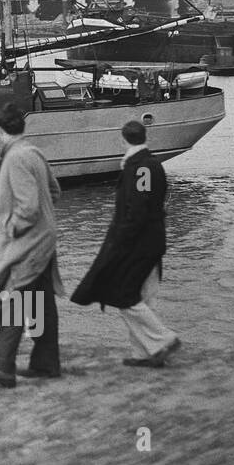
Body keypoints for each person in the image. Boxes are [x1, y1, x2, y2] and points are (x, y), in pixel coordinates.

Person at [71, 120, 180, 368]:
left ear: (123, 140)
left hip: (138, 243)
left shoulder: (139, 168)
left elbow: (137, 210)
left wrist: (120, 242)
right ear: (145, 137)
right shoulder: (151, 164)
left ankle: (163, 339)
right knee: (143, 296)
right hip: (154, 240)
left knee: (123, 295)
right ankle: (144, 352)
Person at [0, 102, 63, 388]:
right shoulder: (34, 153)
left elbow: (28, 208)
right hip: (45, 240)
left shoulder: (14, 158)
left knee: (15, 298)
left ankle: (1, 367)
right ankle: (46, 364)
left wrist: (10, 228)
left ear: (1, 132)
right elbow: (55, 191)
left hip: (28, 242)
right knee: (41, 302)